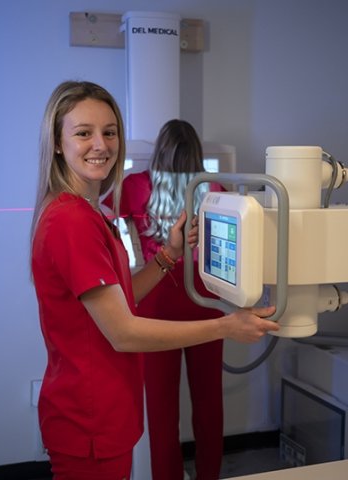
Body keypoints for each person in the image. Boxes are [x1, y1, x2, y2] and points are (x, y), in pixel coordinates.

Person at [30, 80, 279, 480]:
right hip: (91, 415)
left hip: (107, 403)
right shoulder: (73, 220)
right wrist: (227, 325)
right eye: (83, 133)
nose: (101, 145)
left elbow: (120, 298)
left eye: (109, 132)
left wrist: (168, 255)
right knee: (205, 404)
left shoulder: (94, 208)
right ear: (58, 143)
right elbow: (123, 332)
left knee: (164, 409)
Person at [103, 119, 228, 480]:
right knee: (208, 403)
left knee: (160, 407)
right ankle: (209, 476)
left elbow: (104, 214)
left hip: (155, 294)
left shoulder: (133, 185)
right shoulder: (214, 188)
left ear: (159, 149)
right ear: (196, 153)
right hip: (205, 295)